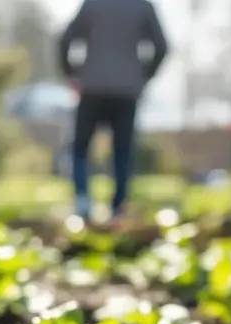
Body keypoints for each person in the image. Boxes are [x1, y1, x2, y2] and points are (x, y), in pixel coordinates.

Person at [59, 0, 168, 221]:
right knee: (123, 150)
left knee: (80, 147)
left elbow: (65, 40)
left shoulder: (93, 5)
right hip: (126, 89)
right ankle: (118, 205)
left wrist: (71, 73)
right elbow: (162, 47)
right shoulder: (143, 7)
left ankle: (82, 199)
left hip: (92, 85)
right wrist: (143, 75)